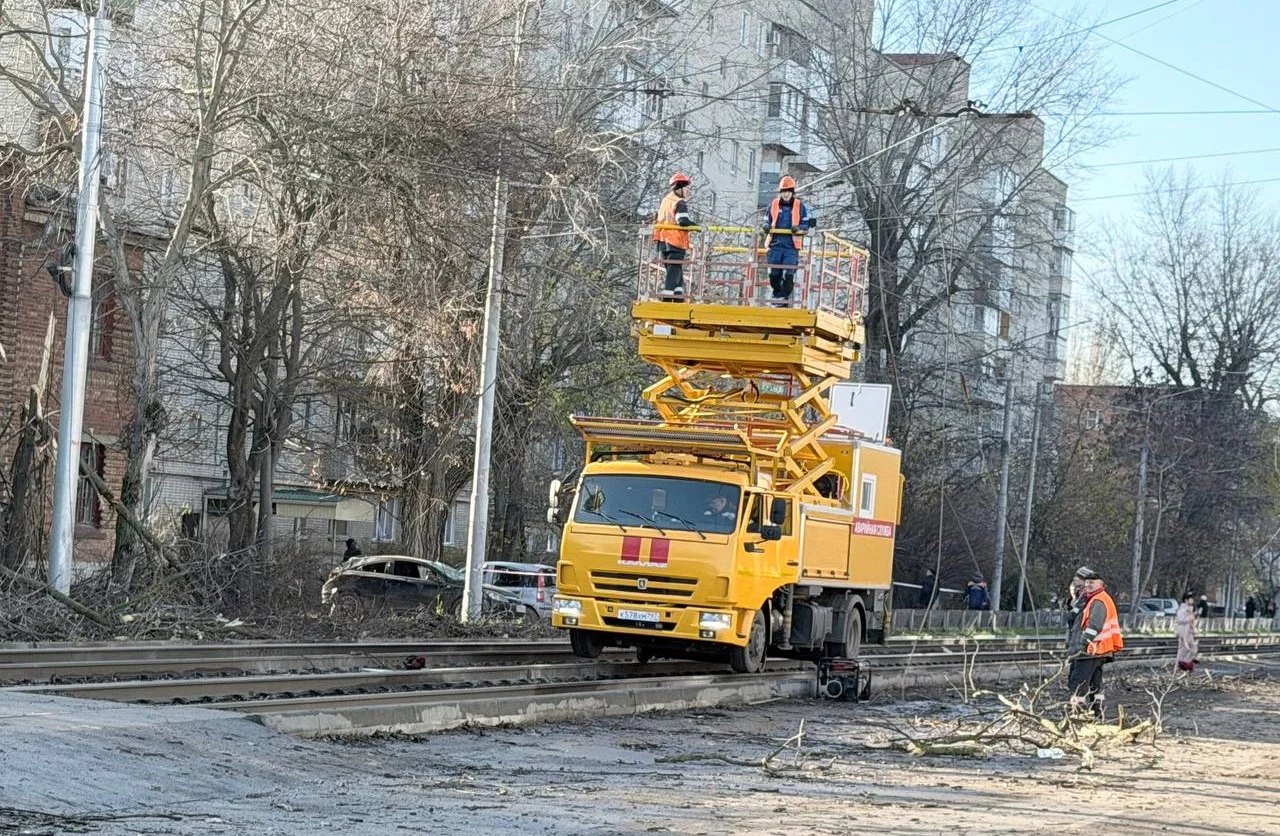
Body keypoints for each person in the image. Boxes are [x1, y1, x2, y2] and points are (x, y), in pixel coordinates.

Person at [1066, 566, 1124, 717]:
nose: (1088, 585)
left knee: (1078, 682)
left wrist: (1083, 644)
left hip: (1090, 650)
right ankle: (1096, 712)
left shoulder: (1098, 601)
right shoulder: (1090, 599)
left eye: (1092, 583)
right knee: (1095, 684)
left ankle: (1076, 714)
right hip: (1098, 651)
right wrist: (1074, 598)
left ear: (1101, 584)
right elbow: (1071, 616)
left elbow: (1094, 626)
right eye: (1087, 582)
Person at [760, 175, 813, 305]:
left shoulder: (800, 206)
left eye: (788, 191)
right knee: (774, 275)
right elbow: (766, 220)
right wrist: (766, 226)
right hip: (775, 245)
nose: (786, 194)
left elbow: (806, 225)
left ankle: (783, 298)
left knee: (788, 275)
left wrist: (798, 228)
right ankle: (777, 295)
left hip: (791, 247)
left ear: (792, 192)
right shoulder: (773, 205)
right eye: (784, 192)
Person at [653, 172, 697, 300]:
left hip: (663, 242)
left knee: (674, 269)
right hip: (675, 241)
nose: (688, 191)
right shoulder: (679, 202)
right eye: (687, 188)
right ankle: (667, 297)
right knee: (674, 270)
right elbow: (682, 221)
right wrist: (696, 227)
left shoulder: (666, 200)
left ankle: (678, 296)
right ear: (680, 187)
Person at [1174, 592, 1198, 671]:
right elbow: (1180, 620)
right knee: (1184, 648)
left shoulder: (1189, 609)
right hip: (1183, 630)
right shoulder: (1182, 609)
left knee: (1191, 647)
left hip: (1189, 631)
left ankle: (1188, 663)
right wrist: (1189, 618)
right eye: (1191, 598)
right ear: (1186, 600)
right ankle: (1182, 664)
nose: (1192, 600)